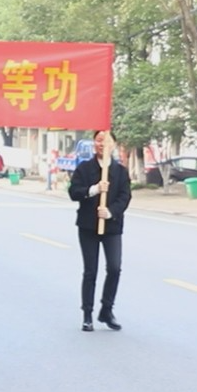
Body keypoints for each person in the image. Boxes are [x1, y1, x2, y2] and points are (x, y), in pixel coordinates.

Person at [68, 131, 131, 331]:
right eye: (98, 140)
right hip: (88, 226)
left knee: (114, 268)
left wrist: (111, 212)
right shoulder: (85, 169)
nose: (102, 144)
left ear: (114, 144)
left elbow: (125, 197)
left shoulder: (120, 172)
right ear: (94, 144)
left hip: (111, 227)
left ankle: (106, 309)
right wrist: (93, 190)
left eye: (107, 140)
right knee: (90, 271)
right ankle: (87, 314)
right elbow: (74, 192)